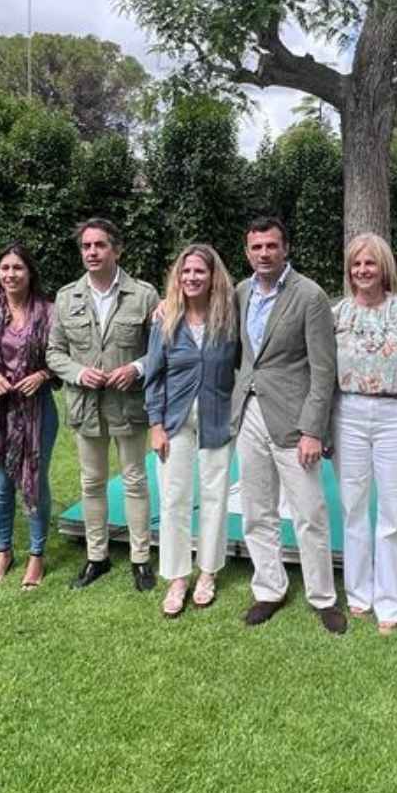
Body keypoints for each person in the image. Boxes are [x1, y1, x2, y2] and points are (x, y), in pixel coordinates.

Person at [232, 216, 342, 633]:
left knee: (309, 511)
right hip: (249, 414)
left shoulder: (309, 296)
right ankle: (268, 589)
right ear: (247, 251)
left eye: (271, 246)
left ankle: (323, 597)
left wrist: (313, 429)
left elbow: (323, 370)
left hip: (295, 419)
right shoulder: (241, 292)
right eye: (256, 247)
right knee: (257, 510)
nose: (264, 254)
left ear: (285, 248)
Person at [45, 218, 160, 591]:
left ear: (117, 249)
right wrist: (79, 373)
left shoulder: (143, 295)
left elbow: (161, 350)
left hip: (129, 404)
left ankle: (141, 559)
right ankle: (98, 557)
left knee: (135, 481)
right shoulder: (67, 297)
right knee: (91, 482)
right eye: (86, 246)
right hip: (87, 405)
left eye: (100, 245)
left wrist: (137, 367)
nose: (92, 252)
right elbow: (54, 353)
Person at [332, 232, 397, 635]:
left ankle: (393, 600)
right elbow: (324, 373)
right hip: (348, 412)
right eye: (356, 264)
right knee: (353, 506)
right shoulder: (336, 313)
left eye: (370, 263)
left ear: (383, 267)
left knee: (394, 510)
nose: (362, 270)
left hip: (395, 412)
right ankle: (359, 592)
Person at [145, 244, 242, 618]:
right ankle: (177, 576)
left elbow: (240, 367)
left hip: (218, 419)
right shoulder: (167, 318)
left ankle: (207, 573)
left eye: (199, 271)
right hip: (174, 421)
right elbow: (153, 376)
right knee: (174, 499)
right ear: (178, 277)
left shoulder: (228, 319)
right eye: (186, 272)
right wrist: (156, 424)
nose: (192, 278)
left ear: (213, 276)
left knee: (216, 496)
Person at [0, 244, 60, 591]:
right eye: (5, 268)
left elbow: (62, 356)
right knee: (0, 486)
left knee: (35, 481)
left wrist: (44, 374)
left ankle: (37, 555)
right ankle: (3, 551)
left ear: (30, 272)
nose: (10, 274)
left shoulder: (49, 313)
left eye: (17, 268)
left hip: (38, 412)